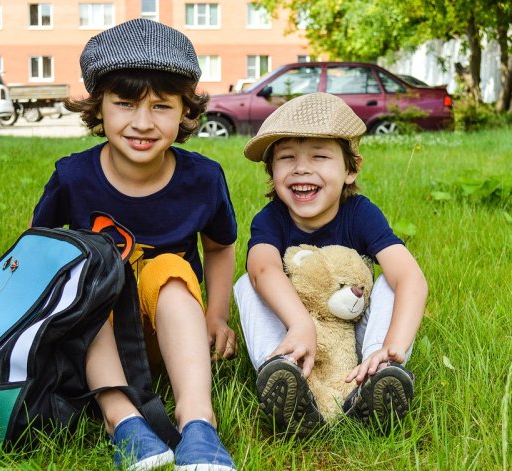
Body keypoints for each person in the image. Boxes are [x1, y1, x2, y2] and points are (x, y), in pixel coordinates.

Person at [31, 19, 238, 471]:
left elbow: (219, 247)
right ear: (99, 107)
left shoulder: (203, 179)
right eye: (125, 103)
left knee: (169, 270)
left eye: (161, 106)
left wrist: (216, 315)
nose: (142, 123)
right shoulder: (72, 177)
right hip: (94, 338)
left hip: (172, 334)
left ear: (185, 111)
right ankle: (121, 419)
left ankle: (197, 420)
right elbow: (37, 254)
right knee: (88, 277)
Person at [233, 92, 428, 435]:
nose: (301, 168)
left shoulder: (361, 214)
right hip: (296, 334)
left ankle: (379, 373)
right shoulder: (271, 219)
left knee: (391, 281)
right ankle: (281, 371)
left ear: (351, 169)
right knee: (248, 283)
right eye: (287, 157)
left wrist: (393, 345)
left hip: (354, 337)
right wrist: (300, 324)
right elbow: (262, 268)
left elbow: (411, 279)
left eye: (319, 156)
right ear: (272, 170)